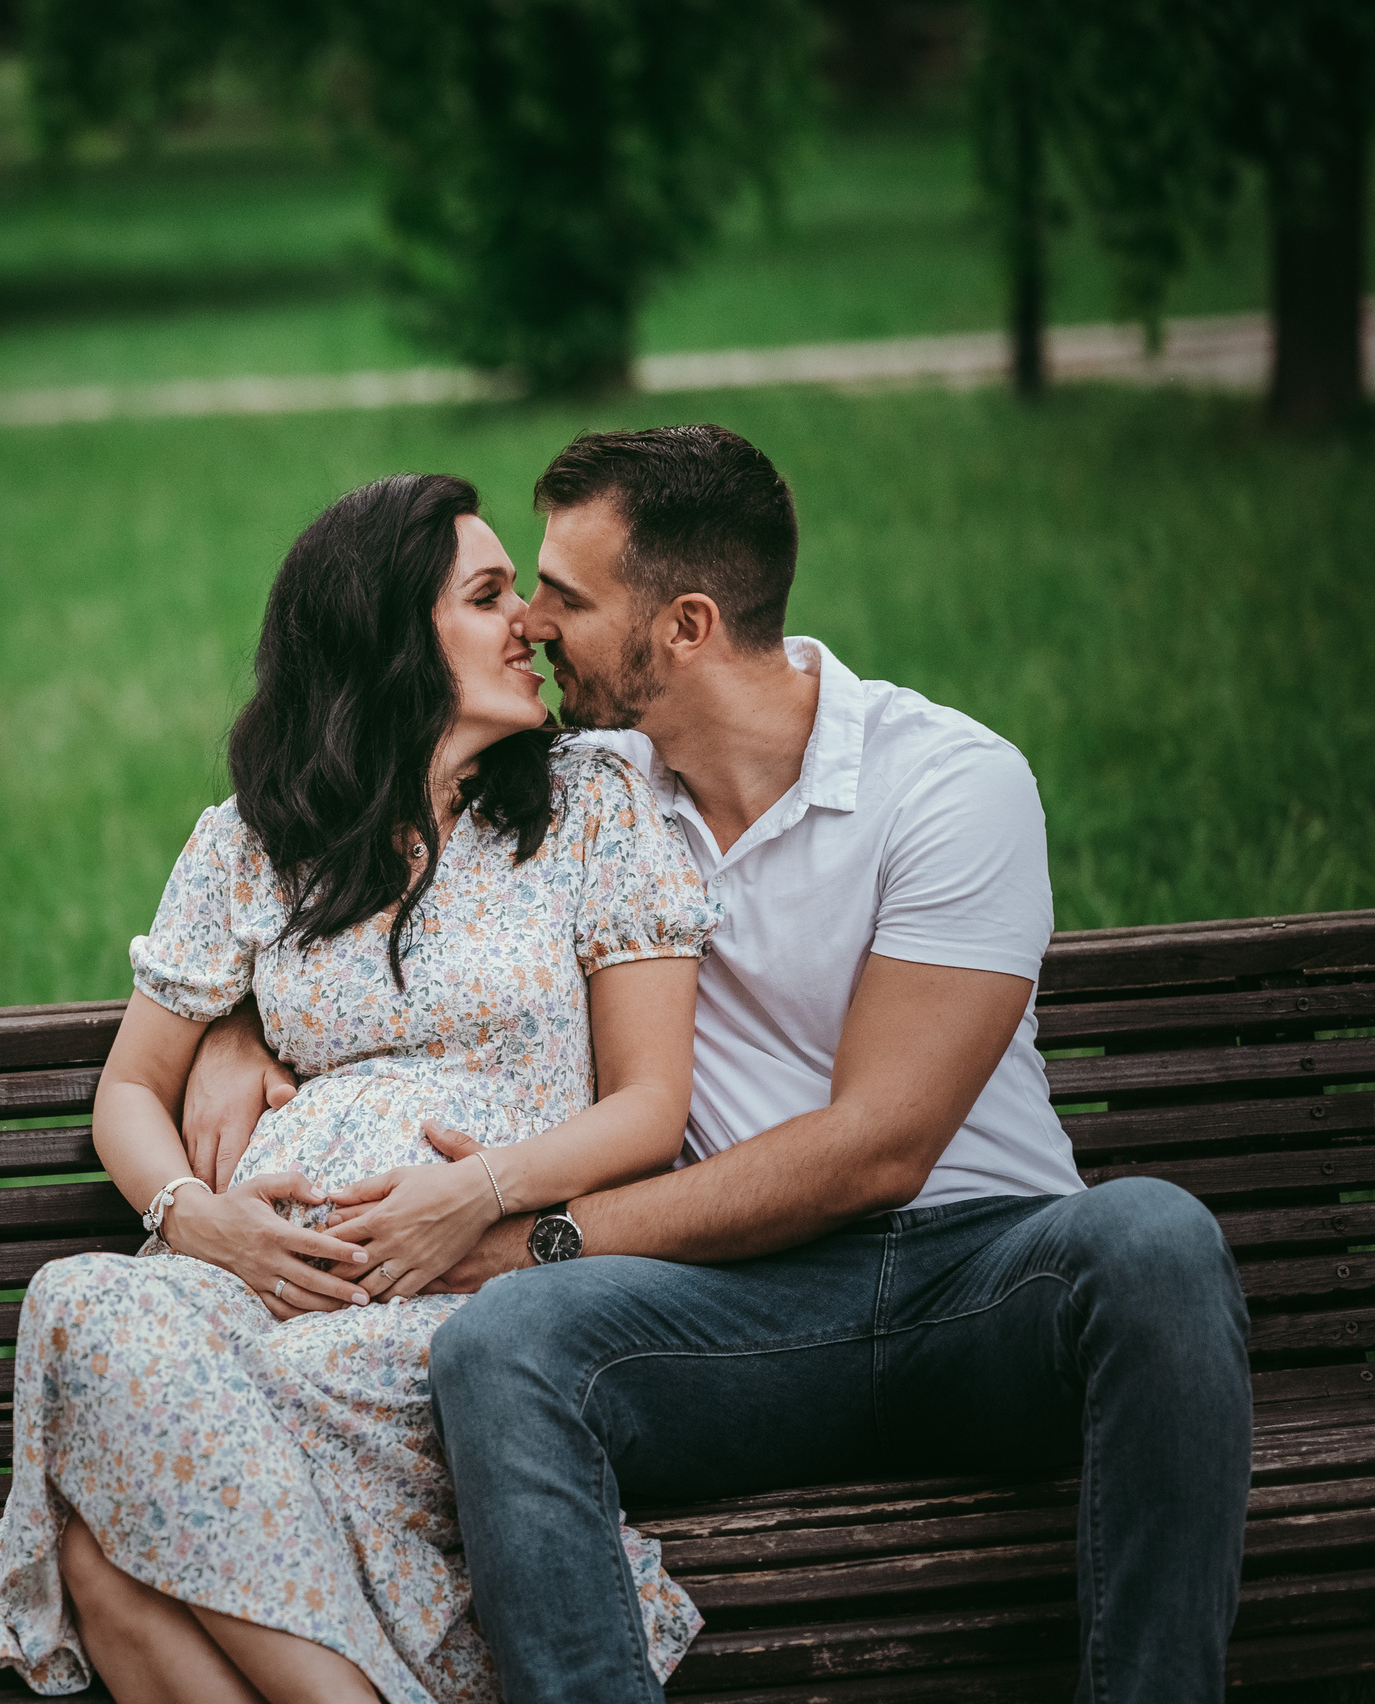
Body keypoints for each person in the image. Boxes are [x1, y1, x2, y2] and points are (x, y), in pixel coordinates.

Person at [183, 426, 1253, 1704]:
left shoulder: (948, 785)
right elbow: (354, 851)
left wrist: (535, 1236)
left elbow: (880, 1149)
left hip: (982, 1279)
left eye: (566, 598)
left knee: (1154, 1241)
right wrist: (240, 1024)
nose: (528, 619)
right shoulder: (591, 788)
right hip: (726, 1312)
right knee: (502, 1350)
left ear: (682, 626)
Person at [0, 472, 726, 1704]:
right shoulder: (257, 841)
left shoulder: (592, 810)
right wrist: (198, 1219)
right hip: (253, 1286)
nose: (529, 623)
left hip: (470, 1292)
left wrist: (468, 1195)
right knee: (82, 1304)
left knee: (112, 1561)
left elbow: (650, 1105)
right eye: (487, 598)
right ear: (388, 641)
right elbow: (127, 1094)